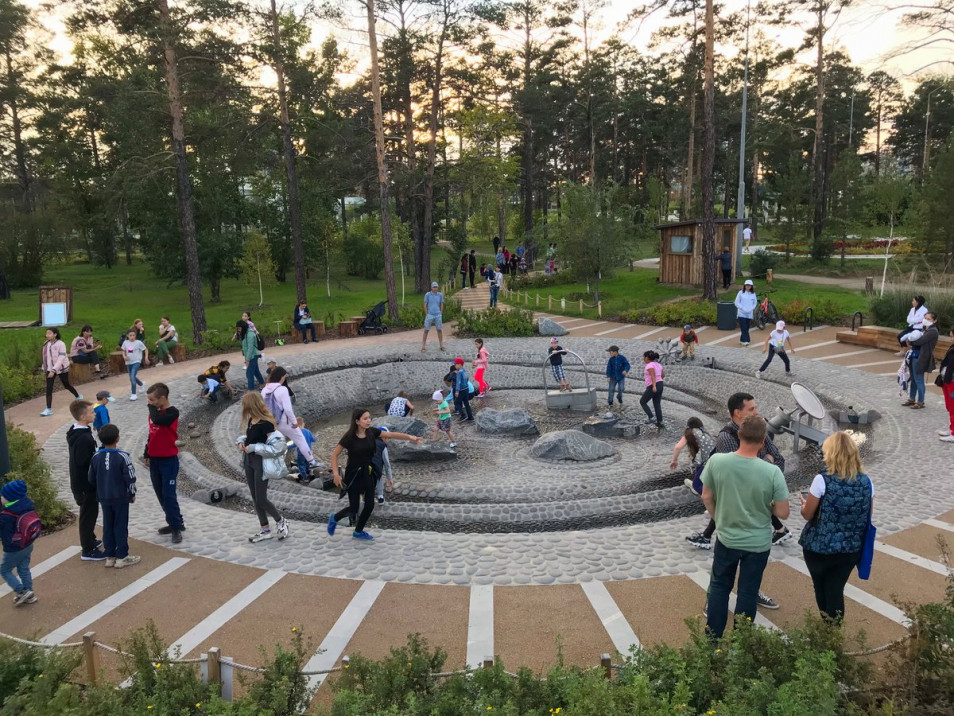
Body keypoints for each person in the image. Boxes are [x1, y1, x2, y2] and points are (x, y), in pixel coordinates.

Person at [702, 415, 789, 639]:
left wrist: (718, 518)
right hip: (758, 543)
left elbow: (707, 496)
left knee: (720, 587)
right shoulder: (772, 472)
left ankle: (713, 639)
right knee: (748, 592)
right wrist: (768, 504)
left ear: (739, 435)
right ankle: (741, 644)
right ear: (763, 441)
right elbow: (783, 512)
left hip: (727, 537)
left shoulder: (717, 462)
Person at [686, 392, 791, 551]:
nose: (756, 412)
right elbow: (740, 473)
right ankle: (780, 530)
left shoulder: (758, 429)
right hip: (743, 497)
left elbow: (779, 459)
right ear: (737, 412)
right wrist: (767, 463)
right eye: (751, 409)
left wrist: (764, 471)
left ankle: (707, 536)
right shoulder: (726, 437)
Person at [799, 431, 873, 622]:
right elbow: (867, 515)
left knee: (821, 586)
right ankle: (833, 630)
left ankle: (827, 626)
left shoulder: (821, 480)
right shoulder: (867, 482)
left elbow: (808, 515)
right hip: (850, 549)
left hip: (820, 547)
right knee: (835, 589)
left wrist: (804, 505)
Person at [328, 409, 422, 541]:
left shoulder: (372, 432)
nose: (368, 421)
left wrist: (410, 437)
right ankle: (334, 518)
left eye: (369, 418)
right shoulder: (349, 437)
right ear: (357, 421)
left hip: (367, 472)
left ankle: (358, 531)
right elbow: (334, 455)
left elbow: (391, 434)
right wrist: (336, 474)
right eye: (365, 418)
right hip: (353, 474)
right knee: (354, 509)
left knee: (370, 505)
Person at [237, 392, 290, 543]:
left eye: (245, 405)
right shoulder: (251, 421)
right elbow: (249, 439)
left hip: (261, 462)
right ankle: (265, 529)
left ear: (251, 405)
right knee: (255, 498)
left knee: (261, 499)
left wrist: (253, 447)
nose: (243, 408)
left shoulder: (266, 423)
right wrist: (241, 443)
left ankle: (281, 521)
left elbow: (278, 447)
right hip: (249, 461)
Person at [88, 423, 140, 569]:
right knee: (120, 525)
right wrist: (132, 493)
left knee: (107, 525)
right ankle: (122, 555)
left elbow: (91, 478)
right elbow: (130, 477)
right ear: (117, 438)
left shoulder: (96, 456)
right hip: (120, 497)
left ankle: (110, 555)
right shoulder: (123, 457)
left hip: (104, 497)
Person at [144, 382, 184, 544]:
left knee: (169, 495)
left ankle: (176, 528)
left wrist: (151, 408)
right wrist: (146, 453)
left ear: (162, 398)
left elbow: (159, 420)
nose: (150, 403)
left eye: (152, 400)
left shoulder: (172, 412)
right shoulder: (154, 413)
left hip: (168, 460)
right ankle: (175, 521)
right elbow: (151, 434)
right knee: (161, 494)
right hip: (155, 460)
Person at [262, 366, 320, 468]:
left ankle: (273, 465)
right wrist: (294, 422)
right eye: (284, 377)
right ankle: (312, 462)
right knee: (300, 439)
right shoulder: (283, 389)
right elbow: (288, 409)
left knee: (275, 443)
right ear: (281, 377)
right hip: (284, 422)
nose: (284, 379)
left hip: (271, 422)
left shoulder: (264, 389)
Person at [67, 400, 104, 560]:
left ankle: (91, 539)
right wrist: (98, 456)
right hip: (85, 484)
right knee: (88, 515)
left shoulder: (78, 432)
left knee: (91, 512)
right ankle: (87, 550)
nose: (95, 414)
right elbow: (84, 462)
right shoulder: (83, 438)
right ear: (83, 416)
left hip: (84, 483)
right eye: (91, 412)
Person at [0, 480, 39, 606]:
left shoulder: (6, 516)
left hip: (13, 549)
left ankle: (21, 591)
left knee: (4, 570)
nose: (1, 498)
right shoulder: (27, 505)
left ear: (10, 498)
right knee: (23, 568)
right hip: (28, 544)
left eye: (3, 496)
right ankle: (30, 593)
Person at [40, 327, 80, 417]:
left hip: (61, 368)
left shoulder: (61, 344)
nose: (47, 335)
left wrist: (54, 370)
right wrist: (46, 368)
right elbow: (45, 357)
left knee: (66, 385)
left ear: (55, 334)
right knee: (49, 388)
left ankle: (77, 396)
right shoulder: (46, 344)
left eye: (49, 333)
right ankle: (49, 409)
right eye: (47, 333)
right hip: (50, 369)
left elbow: (61, 358)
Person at [903, 311, 939, 410]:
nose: (926, 320)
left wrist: (910, 341)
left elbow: (919, 341)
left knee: (919, 380)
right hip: (915, 356)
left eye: (929, 319)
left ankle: (920, 401)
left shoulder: (932, 331)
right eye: (925, 318)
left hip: (921, 358)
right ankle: (912, 398)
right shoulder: (925, 329)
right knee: (914, 379)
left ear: (934, 320)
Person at [670, 417, 715, 496]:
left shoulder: (690, 433)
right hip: (714, 458)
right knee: (699, 467)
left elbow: (677, 447)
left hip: (709, 462)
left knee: (696, 486)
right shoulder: (703, 433)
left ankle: (714, 496)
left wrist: (674, 460)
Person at [121, 328, 149, 401]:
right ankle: (141, 384)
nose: (132, 337)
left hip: (136, 362)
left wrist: (146, 358)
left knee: (132, 377)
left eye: (133, 335)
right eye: (130, 335)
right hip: (128, 363)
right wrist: (124, 357)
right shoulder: (125, 343)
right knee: (131, 377)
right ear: (127, 336)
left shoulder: (138, 342)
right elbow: (123, 350)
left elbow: (145, 349)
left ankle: (133, 394)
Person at [237, 320, 265, 391]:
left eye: (239, 328)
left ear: (243, 327)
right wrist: (239, 337)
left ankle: (250, 391)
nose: (238, 330)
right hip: (249, 355)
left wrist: (247, 359)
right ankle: (262, 384)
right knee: (256, 371)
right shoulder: (244, 333)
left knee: (249, 373)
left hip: (253, 355)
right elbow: (243, 344)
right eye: (238, 328)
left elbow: (250, 348)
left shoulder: (250, 334)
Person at [639, 350, 665, 427]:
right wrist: (659, 381)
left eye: (644, 357)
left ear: (647, 357)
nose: (643, 359)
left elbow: (653, 376)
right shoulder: (658, 365)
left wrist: (654, 386)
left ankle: (651, 417)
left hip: (653, 386)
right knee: (657, 404)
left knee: (642, 401)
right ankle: (660, 421)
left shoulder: (649, 365)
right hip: (660, 384)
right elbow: (663, 375)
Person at [939, 327, 954, 443]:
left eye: (952, 336)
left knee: (953, 407)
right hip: (948, 381)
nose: (950, 339)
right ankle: (951, 428)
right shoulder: (952, 347)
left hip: (952, 382)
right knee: (949, 406)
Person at [421, 282, 446, 352]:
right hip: (430, 314)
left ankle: (441, 345)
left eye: (436, 287)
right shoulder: (428, 295)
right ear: (431, 288)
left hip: (437, 314)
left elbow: (441, 303)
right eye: (434, 287)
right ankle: (423, 346)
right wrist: (427, 314)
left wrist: (441, 312)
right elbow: (425, 304)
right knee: (426, 330)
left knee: (439, 330)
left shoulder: (440, 295)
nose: (435, 288)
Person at [372, 427, 394, 504]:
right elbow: (387, 464)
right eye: (388, 438)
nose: (388, 440)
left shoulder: (369, 441)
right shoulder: (382, 445)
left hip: (364, 466)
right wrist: (389, 478)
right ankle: (380, 497)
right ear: (383, 436)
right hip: (375, 467)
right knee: (379, 476)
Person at [605, 345, 630, 409]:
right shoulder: (611, 360)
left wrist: (625, 370)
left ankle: (619, 397)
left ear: (615, 352)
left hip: (620, 377)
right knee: (611, 390)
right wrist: (608, 376)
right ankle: (610, 402)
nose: (609, 353)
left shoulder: (622, 358)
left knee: (621, 388)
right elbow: (609, 368)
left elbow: (627, 365)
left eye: (610, 352)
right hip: (613, 378)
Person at [734, 279, 757, 346]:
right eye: (747, 285)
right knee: (743, 327)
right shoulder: (740, 293)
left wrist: (751, 308)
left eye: (749, 285)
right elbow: (736, 302)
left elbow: (754, 303)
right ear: (744, 286)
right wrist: (742, 308)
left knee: (746, 327)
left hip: (749, 313)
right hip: (742, 313)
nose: (748, 286)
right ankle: (746, 340)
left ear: (751, 286)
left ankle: (742, 340)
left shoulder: (753, 294)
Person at [294, 416, 317, 482]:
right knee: (307, 463)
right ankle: (308, 473)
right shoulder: (308, 431)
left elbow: (294, 444)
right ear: (303, 423)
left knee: (301, 465)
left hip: (300, 453)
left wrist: (286, 446)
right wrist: (315, 438)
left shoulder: (296, 433)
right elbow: (313, 439)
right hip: (308, 453)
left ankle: (305, 477)